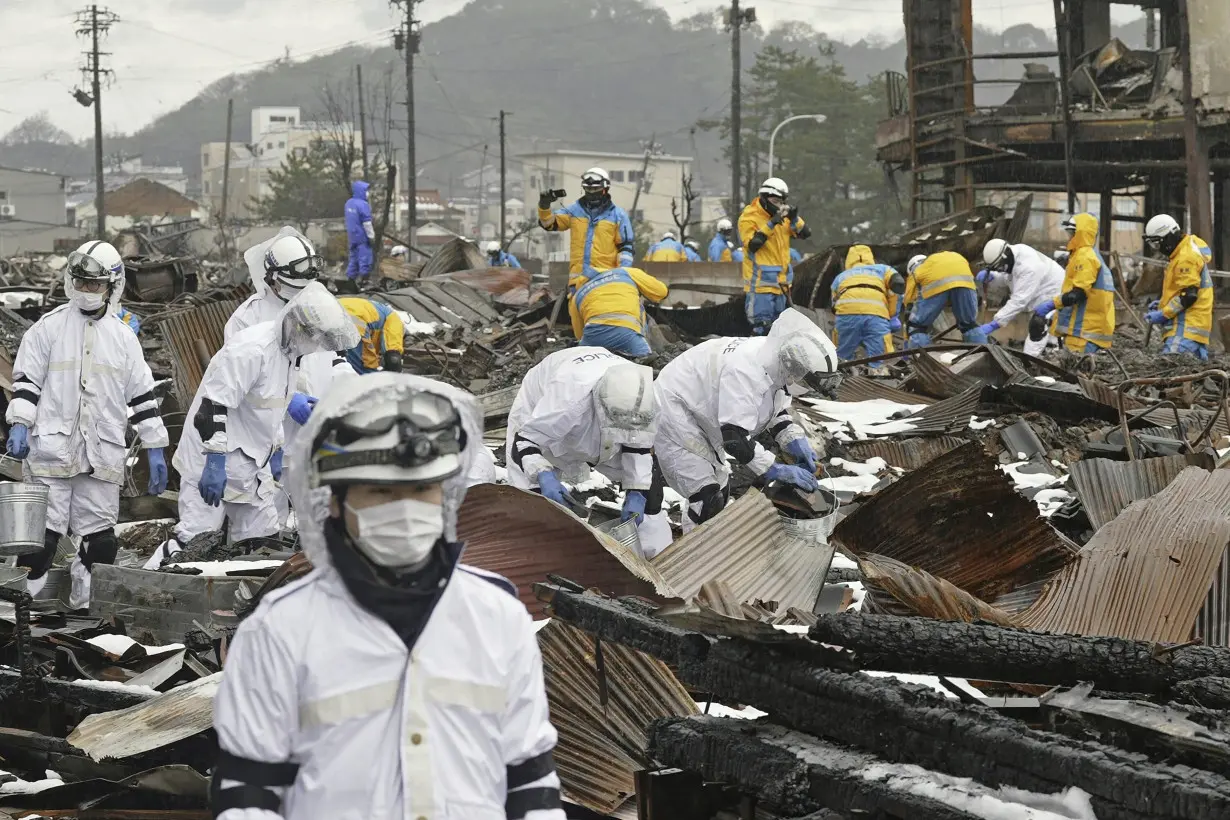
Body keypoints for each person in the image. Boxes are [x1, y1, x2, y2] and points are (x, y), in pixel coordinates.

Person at [212, 373, 565, 820]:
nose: (405, 508)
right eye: (381, 491)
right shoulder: (278, 631)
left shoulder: (498, 617)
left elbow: (531, 782)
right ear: (335, 501)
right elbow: (247, 797)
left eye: (421, 489)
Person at [5, 240, 168, 604]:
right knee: (39, 545)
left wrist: (156, 446)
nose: (86, 291)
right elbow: (27, 383)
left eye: (94, 285)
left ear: (113, 285)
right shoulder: (46, 330)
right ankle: (20, 619)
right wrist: (19, 422)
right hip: (51, 453)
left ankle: (85, 615)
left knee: (101, 546)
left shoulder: (124, 338)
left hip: (101, 456)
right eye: (80, 283)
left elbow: (142, 395)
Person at [173, 282, 359, 545]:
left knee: (262, 544)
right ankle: (147, 581)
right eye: (315, 336)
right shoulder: (253, 349)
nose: (317, 344)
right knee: (193, 542)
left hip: (251, 462)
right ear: (298, 326)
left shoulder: (291, 356)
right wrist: (214, 461)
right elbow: (211, 408)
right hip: (210, 457)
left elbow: (272, 409)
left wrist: (277, 449)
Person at [654, 308, 839, 531]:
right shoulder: (746, 371)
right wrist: (774, 468)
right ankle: (695, 561)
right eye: (808, 383)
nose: (808, 389)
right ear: (795, 369)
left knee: (718, 491)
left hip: (702, 410)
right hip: (676, 410)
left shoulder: (776, 360)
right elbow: (734, 437)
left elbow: (774, 409)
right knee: (705, 496)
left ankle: (707, 549)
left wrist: (794, 440)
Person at [506, 348, 670, 556]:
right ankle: (541, 558)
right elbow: (524, 441)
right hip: (543, 405)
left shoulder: (647, 399)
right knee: (533, 500)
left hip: (611, 409)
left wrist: (637, 489)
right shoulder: (567, 400)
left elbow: (639, 443)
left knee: (649, 490)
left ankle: (654, 556)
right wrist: (542, 474)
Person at [1033, 213, 1116, 353]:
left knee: (1077, 373)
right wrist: (1056, 317)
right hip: (1085, 331)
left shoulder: (1085, 256)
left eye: (1072, 233)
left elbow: (1077, 294)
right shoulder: (1086, 255)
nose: (1069, 237)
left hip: (1083, 333)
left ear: (1081, 233)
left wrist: (1050, 305)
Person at [739, 177, 811, 335]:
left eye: (781, 201)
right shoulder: (749, 217)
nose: (778, 205)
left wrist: (794, 218)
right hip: (760, 284)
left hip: (782, 285)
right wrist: (771, 224)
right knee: (761, 327)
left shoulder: (783, 217)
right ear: (764, 198)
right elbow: (753, 244)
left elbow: (805, 233)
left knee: (778, 329)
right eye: (775, 200)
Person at [538, 167, 633, 280]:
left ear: (605, 189)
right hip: (577, 282)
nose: (592, 193)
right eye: (588, 189)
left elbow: (625, 249)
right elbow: (548, 224)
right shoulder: (574, 211)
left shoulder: (618, 215)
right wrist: (544, 206)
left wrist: (621, 275)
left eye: (596, 189)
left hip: (606, 280)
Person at [975, 239, 1065, 356]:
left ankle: (1030, 362)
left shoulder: (1029, 267)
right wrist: (994, 276)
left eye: (998, 267)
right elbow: (1010, 277)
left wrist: (995, 323)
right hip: (1042, 293)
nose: (999, 270)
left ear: (1004, 256)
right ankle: (1043, 356)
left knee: (1039, 325)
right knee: (1042, 331)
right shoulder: (1014, 254)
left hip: (1055, 294)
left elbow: (1019, 301)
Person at [1143, 213, 1214, 360]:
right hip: (1193, 328)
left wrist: (1163, 314)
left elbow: (1189, 296)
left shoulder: (1185, 258)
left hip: (1185, 327)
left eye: (1157, 243)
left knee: (1169, 370)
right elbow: (1182, 289)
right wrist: (1163, 303)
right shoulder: (1184, 250)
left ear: (1168, 238)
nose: (1157, 248)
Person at [569, 265, 668, 357]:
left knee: (586, 368)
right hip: (627, 334)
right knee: (646, 364)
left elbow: (578, 334)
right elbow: (661, 292)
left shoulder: (577, 295)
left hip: (592, 338)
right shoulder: (625, 272)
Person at [830, 245, 903, 365]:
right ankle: (877, 377)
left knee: (841, 359)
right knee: (879, 359)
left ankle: (842, 378)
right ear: (870, 258)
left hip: (846, 315)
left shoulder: (841, 277)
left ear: (849, 260)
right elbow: (896, 287)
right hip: (876, 315)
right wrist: (892, 315)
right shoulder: (883, 269)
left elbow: (834, 304)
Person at [902, 251, 987, 347]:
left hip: (936, 282)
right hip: (964, 279)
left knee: (917, 327)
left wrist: (907, 337)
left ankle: (919, 358)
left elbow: (908, 302)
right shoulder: (944, 259)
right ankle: (981, 353)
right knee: (970, 325)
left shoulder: (917, 271)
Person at [339, 296, 406, 374]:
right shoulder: (395, 321)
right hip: (353, 320)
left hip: (329, 315)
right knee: (367, 369)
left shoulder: (379, 310)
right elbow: (393, 357)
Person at [344, 180, 375, 286]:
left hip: (352, 237)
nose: (368, 193)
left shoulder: (349, 203)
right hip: (362, 237)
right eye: (366, 190)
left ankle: (350, 282)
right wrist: (371, 237)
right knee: (364, 258)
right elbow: (367, 223)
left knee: (354, 260)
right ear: (361, 191)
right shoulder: (363, 204)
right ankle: (365, 281)